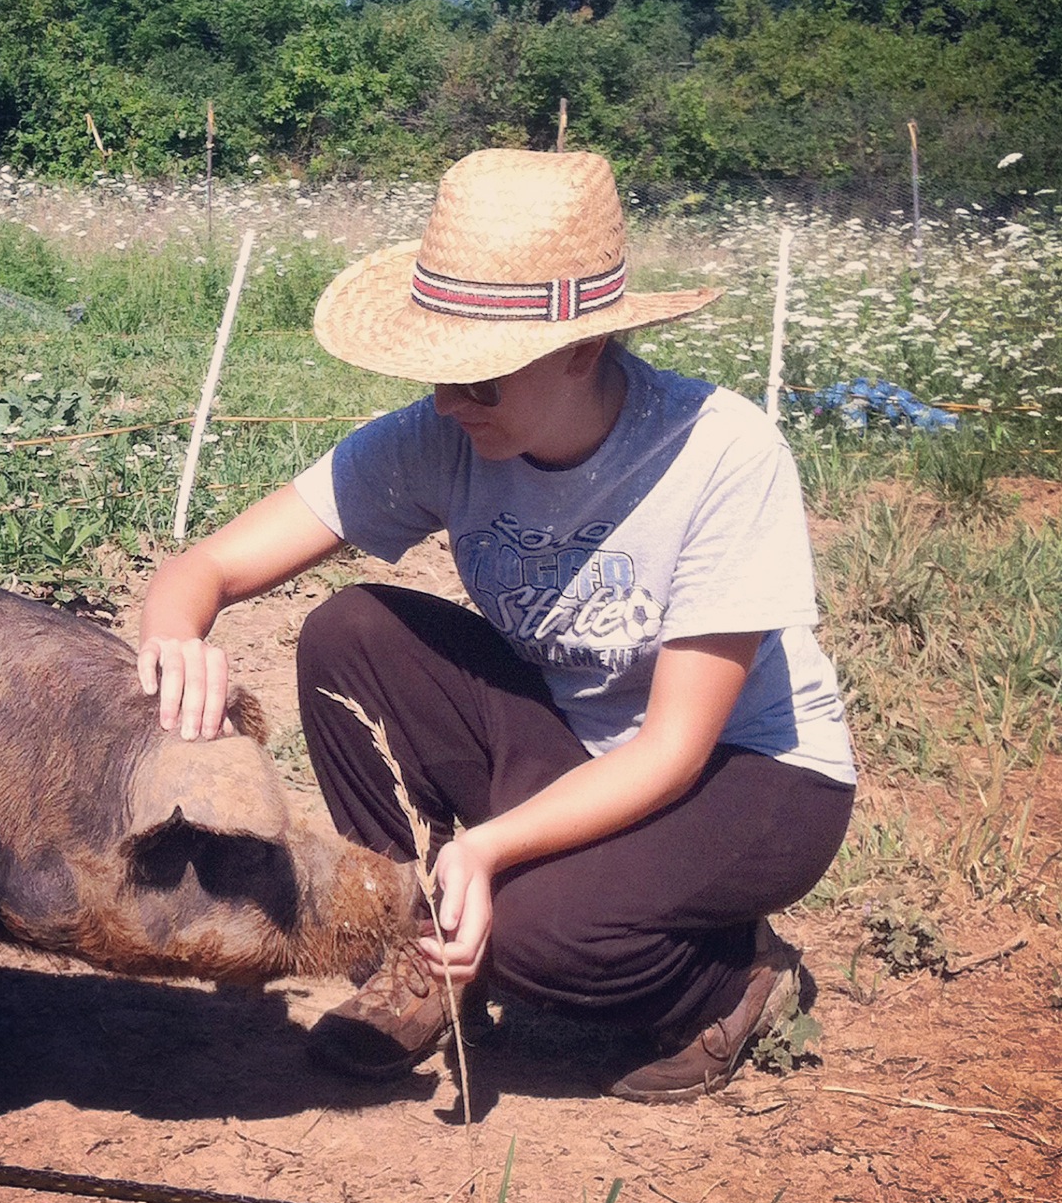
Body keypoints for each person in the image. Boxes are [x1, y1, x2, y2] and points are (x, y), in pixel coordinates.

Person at [136, 149, 855, 1103]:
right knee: (348, 633)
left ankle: (730, 980)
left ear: (581, 349)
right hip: (579, 743)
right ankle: (420, 951)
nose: (448, 402)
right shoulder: (444, 438)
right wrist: (177, 637)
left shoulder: (718, 453)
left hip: (750, 771)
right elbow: (209, 566)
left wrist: (480, 848)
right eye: (439, 373)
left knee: (533, 939)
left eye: (481, 379)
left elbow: (675, 750)